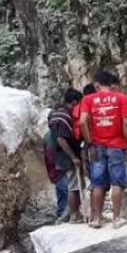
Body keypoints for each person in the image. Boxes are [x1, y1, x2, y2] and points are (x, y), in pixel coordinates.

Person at [80, 70, 127, 229]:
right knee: (117, 182)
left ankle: (96, 219)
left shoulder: (88, 99)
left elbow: (83, 122)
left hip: (97, 146)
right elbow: (126, 124)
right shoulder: (121, 98)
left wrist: (89, 142)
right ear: (111, 84)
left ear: (97, 85)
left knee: (97, 183)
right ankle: (116, 219)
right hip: (116, 146)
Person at [48, 88, 85, 223]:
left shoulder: (56, 114)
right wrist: (73, 157)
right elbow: (61, 139)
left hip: (59, 154)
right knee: (73, 186)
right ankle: (74, 215)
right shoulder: (63, 117)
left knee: (73, 184)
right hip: (66, 155)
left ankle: (75, 214)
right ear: (75, 101)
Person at [42, 131, 68, 221]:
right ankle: (65, 215)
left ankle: (61, 213)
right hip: (59, 169)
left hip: (54, 170)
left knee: (61, 192)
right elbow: (50, 156)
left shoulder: (48, 134)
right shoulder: (54, 135)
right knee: (66, 190)